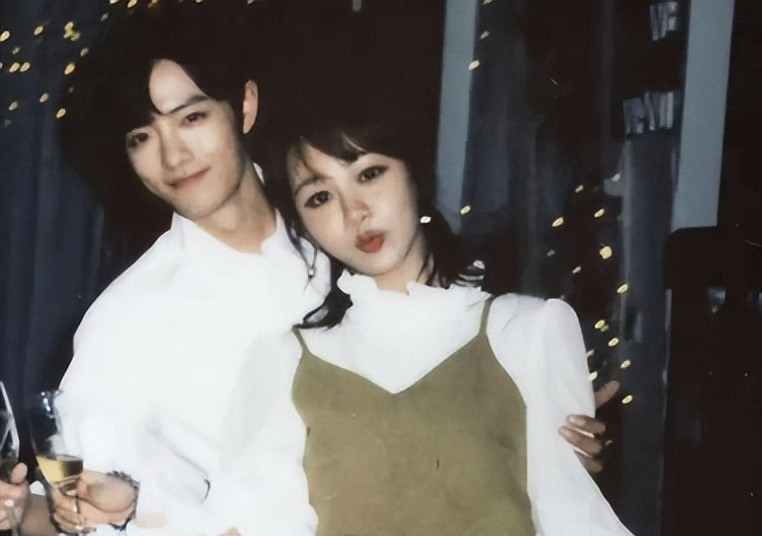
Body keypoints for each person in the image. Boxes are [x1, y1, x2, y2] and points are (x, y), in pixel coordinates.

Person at [0, 1, 614, 534]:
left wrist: (543, 439)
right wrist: (27, 511)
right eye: (142, 136)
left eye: (192, 118)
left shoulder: (346, 228)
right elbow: (75, 506)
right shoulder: (126, 321)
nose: (174, 155)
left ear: (244, 105)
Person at [217, 69, 633, 534]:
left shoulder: (527, 331)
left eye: (369, 174)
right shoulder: (285, 363)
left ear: (413, 171)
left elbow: (573, 519)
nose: (354, 211)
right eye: (319, 197)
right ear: (301, 223)